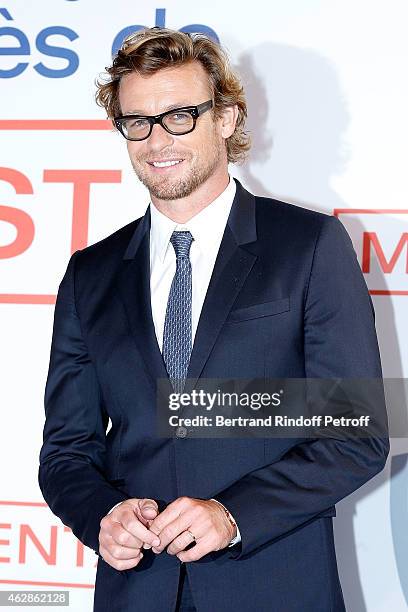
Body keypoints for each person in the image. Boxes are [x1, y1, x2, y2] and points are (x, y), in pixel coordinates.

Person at [39, 27, 389, 612]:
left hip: (274, 585)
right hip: (135, 593)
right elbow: (66, 452)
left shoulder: (309, 246)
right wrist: (102, 514)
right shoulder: (90, 273)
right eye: (138, 121)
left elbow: (358, 435)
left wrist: (233, 515)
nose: (157, 139)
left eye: (179, 115)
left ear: (226, 118)